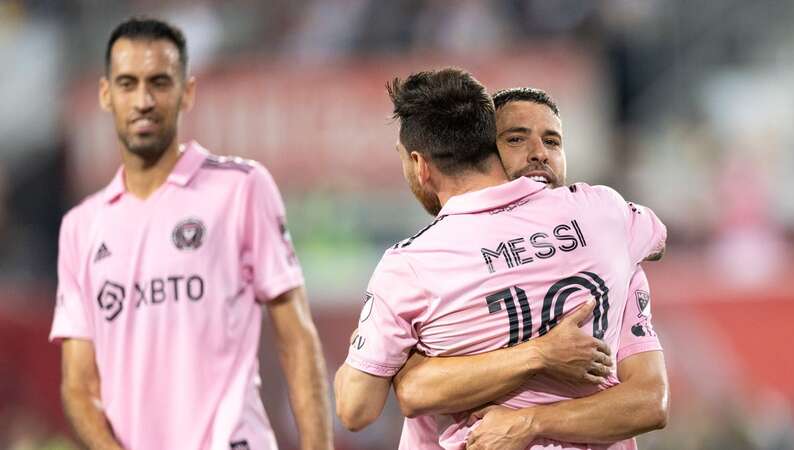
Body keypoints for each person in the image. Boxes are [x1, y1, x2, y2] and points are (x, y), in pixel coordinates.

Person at [333, 68, 666, 450]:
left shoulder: (411, 266)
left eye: (552, 141)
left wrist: (401, 367)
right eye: (517, 138)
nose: (538, 153)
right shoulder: (605, 213)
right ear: (489, 146)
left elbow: (355, 409)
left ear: (421, 165)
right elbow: (657, 236)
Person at [49, 17, 333, 450]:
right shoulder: (81, 227)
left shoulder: (241, 187)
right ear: (106, 95)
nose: (143, 100)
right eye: (127, 83)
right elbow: (78, 384)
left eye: (159, 82)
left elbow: (296, 337)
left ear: (188, 92)